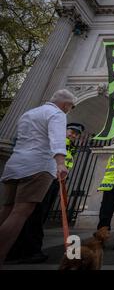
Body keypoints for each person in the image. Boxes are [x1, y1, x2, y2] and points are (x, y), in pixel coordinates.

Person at [0, 89, 75, 266]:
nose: (69, 110)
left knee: (7, 210)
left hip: (15, 164)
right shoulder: (57, 114)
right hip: (37, 166)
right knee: (20, 213)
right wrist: (60, 163)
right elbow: (57, 140)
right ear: (65, 105)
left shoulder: (29, 113)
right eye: (70, 107)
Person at [5, 122, 85, 264]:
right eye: (71, 131)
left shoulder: (69, 146)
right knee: (35, 214)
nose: (73, 135)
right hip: (47, 178)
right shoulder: (57, 141)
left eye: (76, 133)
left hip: (55, 181)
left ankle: (27, 249)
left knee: (38, 215)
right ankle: (26, 251)